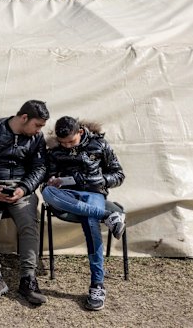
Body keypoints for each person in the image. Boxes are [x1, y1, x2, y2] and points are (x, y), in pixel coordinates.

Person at [41, 116, 126, 311]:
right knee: (47, 192)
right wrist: (53, 180)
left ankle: (97, 284)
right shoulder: (54, 151)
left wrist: (100, 180)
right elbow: (48, 178)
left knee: (90, 222)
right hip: (66, 195)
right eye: (63, 143)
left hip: (93, 193)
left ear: (80, 131)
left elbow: (119, 175)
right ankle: (106, 215)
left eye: (71, 141)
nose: (67, 145)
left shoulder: (100, 145)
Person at [0, 100, 49, 305]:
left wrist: (23, 188)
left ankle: (28, 280)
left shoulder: (37, 138)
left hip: (21, 190)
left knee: (29, 225)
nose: (39, 130)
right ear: (24, 118)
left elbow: (40, 168)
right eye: (38, 125)